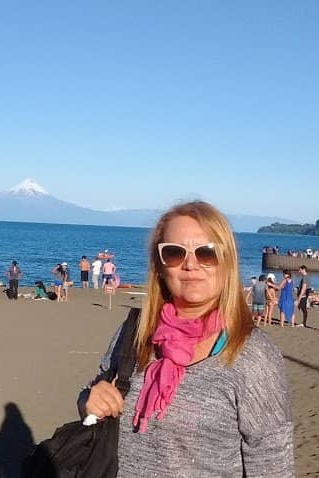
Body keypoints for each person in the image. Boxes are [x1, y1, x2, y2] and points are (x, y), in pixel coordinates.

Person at [78, 201, 294, 476]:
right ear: (160, 265)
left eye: (207, 253)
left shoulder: (252, 355)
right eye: (174, 253)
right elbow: (93, 393)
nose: (191, 265)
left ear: (227, 261)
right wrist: (88, 400)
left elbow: (272, 465)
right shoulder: (135, 331)